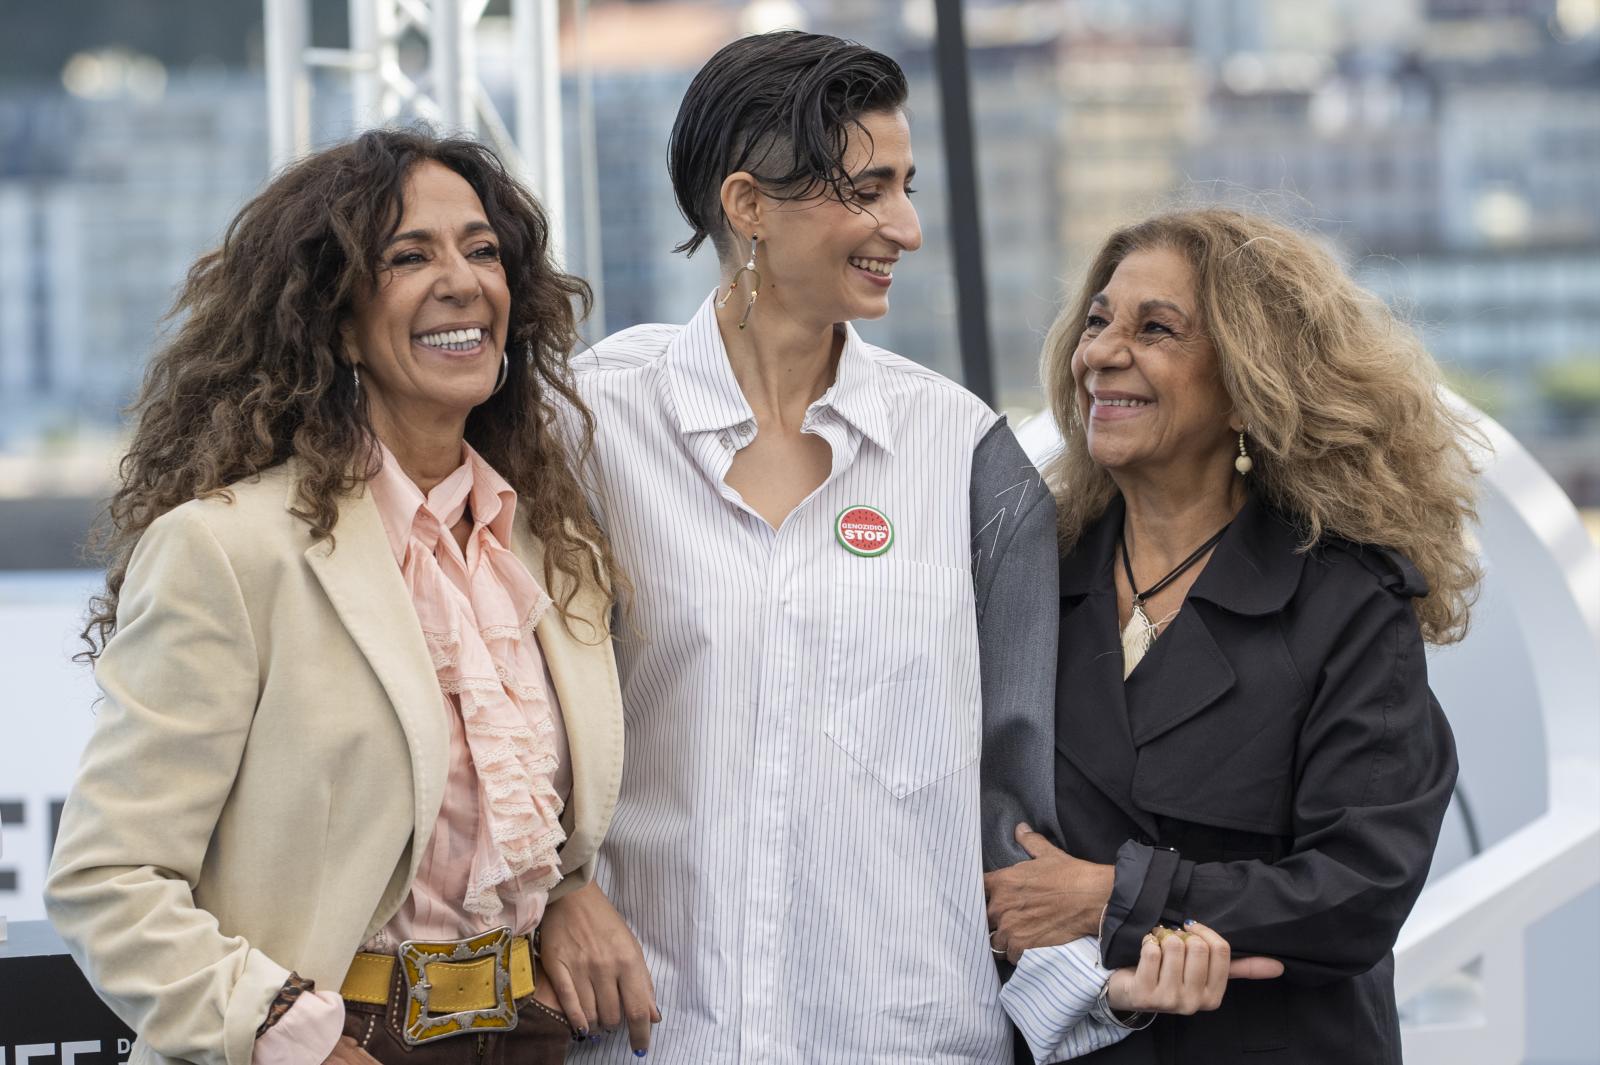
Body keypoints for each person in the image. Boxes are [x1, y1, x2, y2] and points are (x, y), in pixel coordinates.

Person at [541, 32, 1269, 1064]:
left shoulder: (964, 456)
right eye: (869, 190)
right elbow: (505, 727)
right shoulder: (585, 431)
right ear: (748, 207)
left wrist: (1104, 978)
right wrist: (560, 891)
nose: (907, 227)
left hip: (905, 1038)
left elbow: (1011, 795)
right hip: (652, 1034)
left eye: (908, 185)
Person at [45, 128, 639, 1065]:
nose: (463, 280)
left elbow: (504, 831)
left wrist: (567, 893)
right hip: (339, 1039)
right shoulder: (226, 548)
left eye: (482, 250)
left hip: (534, 1034)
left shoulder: (552, 545)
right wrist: (288, 1034)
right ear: (337, 320)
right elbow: (107, 878)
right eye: (410, 256)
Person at [984, 207, 1476, 1063]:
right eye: (1097, 320)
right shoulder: (1023, 581)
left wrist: (1116, 894)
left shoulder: (1346, 604)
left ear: (1250, 384)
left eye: (1155, 328)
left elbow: (1361, 886)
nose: (1101, 351)